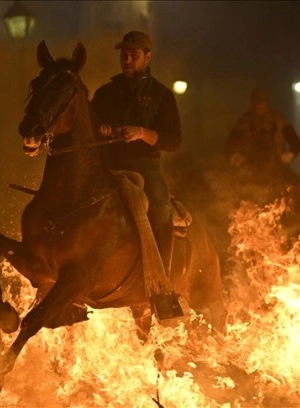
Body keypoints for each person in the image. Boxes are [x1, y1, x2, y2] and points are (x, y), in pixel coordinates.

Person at [90, 31, 182, 317]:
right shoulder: (105, 93)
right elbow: (90, 123)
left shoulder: (161, 95)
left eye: (133, 55)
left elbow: (173, 140)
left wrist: (141, 133)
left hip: (144, 166)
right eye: (123, 55)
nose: (127, 60)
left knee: (161, 206)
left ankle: (162, 288)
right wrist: (101, 128)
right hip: (108, 165)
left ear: (147, 57)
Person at [224, 87, 300, 205]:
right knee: (238, 197)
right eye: (257, 103)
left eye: (262, 103)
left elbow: (296, 143)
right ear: (252, 104)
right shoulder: (245, 121)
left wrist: (286, 156)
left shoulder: (279, 120)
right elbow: (229, 146)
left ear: (266, 103)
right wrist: (237, 159)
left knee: (294, 192)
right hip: (250, 169)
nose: (260, 106)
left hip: (276, 168)